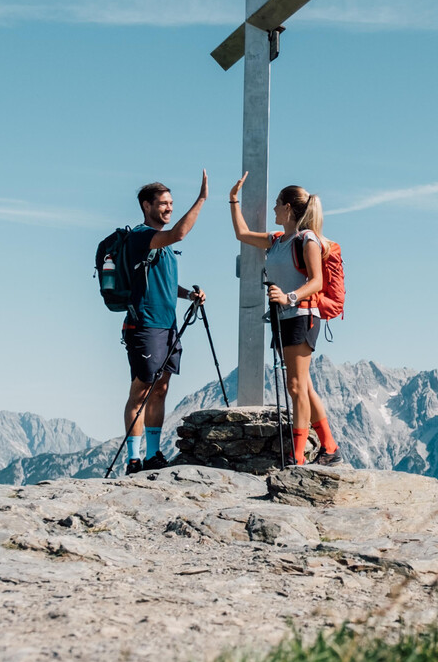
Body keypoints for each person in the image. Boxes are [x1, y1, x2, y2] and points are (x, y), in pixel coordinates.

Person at [227, 174, 342, 466]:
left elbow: (316, 282)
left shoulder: (308, 240)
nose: (274, 210)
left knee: (294, 386)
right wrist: (233, 200)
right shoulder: (277, 240)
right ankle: (329, 446)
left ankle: (297, 455)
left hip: (301, 315)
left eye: (277, 204)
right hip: (284, 316)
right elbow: (242, 234)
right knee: (303, 385)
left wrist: (289, 297)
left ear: (289, 208)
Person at [121, 173, 210, 473]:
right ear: (147, 206)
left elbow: (166, 284)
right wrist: (201, 200)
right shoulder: (140, 237)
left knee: (160, 389)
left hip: (167, 326)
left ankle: (153, 455)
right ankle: (134, 459)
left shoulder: (164, 246)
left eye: (171, 203)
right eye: (163, 204)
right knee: (141, 390)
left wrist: (189, 295)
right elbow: (180, 233)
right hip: (145, 325)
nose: (169, 208)